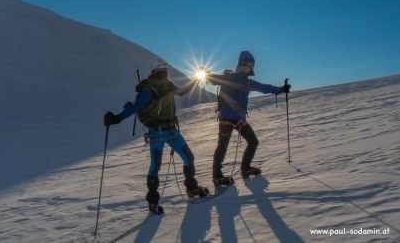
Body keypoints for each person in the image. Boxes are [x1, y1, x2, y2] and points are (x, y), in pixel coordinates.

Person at [104, 61, 209, 214]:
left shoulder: (167, 85)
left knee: (188, 158)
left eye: (165, 71)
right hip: (158, 132)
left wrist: (197, 78)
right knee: (157, 166)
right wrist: (117, 119)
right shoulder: (149, 89)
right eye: (160, 71)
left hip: (170, 130)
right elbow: (135, 107)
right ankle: (153, 201)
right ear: (154, 73)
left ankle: (191, 188)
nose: (163, 74)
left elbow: (182, 91)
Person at [206, 51, 290, 186]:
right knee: (222, 147)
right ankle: (217, 176)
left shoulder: (248, 82)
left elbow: (264, 87)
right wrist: (208, 76)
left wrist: (280, 89)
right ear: (240, 64)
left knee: (253, 142)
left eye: (250, 65)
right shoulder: (231, 77)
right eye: (246, 64)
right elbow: (215, 79)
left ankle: (245, 169)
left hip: (240, 119)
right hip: (226, 119)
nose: (248, 66)